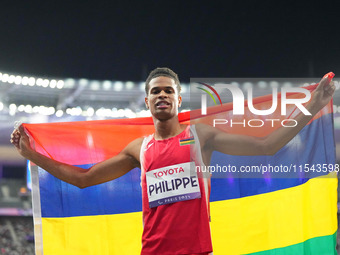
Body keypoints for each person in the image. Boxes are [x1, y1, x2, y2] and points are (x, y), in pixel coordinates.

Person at [10, 67, 335, 255]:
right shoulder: (140, 148)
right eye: (156, 91)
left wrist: (312, 106)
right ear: (148, 100)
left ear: (178, 99)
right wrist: (31, 154)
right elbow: (84, 178)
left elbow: (266, 145)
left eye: (168, 91)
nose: (162, 95)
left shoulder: (200, 137)